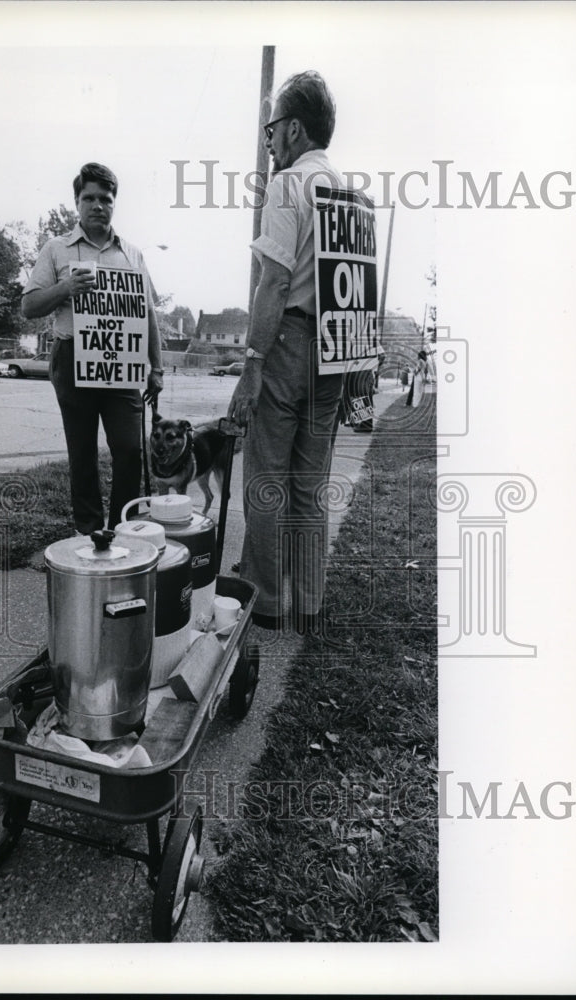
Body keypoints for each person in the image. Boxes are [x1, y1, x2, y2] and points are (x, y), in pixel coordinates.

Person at [227, 71, 345, 635]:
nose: (269, 140)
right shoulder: (350, 193)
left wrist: (252, 363)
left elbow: (273, 283)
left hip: (290, 340)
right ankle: (309, 598)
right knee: (309, 479)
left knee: (267, 474)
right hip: (337, 350)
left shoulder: (288, 185)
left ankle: (267, 599)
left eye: (271, 128)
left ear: (294, 129)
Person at [22, 163, 164, 535]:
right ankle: (89, 532)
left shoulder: (132, 254)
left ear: (114, 203)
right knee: (82, 452)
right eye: (89, 198)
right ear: (77, 202)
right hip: (72, 359)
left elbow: (148, 314)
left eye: (105, 198)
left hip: (122, 363)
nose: (97, 205)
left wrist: (157, 368)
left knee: (129, 450)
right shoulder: (56, 249)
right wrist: (65, 289)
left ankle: (122, 528)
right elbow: (29, 305)